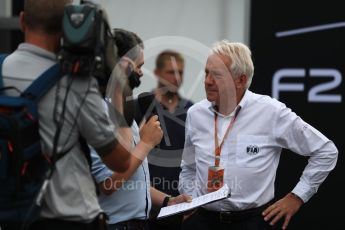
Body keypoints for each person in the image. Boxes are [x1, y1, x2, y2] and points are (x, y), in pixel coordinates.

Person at [178, 40, 338, 230]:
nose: (207, 81)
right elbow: (188, 168)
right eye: (206, 72)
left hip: (252, 222)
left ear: (241, 80)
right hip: (202, 221)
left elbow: (326, 151)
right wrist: (190, 201)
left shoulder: (271, 112)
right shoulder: (195, 114)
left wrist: (297, 197)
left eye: (217, 75)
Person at [1, 1, 132, 229]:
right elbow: (120, 161)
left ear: (22, 20)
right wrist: (117, 92)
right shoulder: (77, 84)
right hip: (69, 218)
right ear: (66, 29)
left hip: (11, 215)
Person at [91, 29, 192, 230]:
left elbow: (133, 180)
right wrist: (145, 144)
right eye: (138, 66)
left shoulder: (124, 110)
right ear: (122, 65)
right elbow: (108, 184)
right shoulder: (98, 113)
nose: (140, 72)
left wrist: (168, 201)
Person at [134, 50, 193, 230]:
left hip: (182, 205)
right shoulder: (140, 108)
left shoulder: (192, 110)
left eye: (180, 72)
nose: (176, 78)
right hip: (147, 204)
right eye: (171, 72)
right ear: (157, 73)